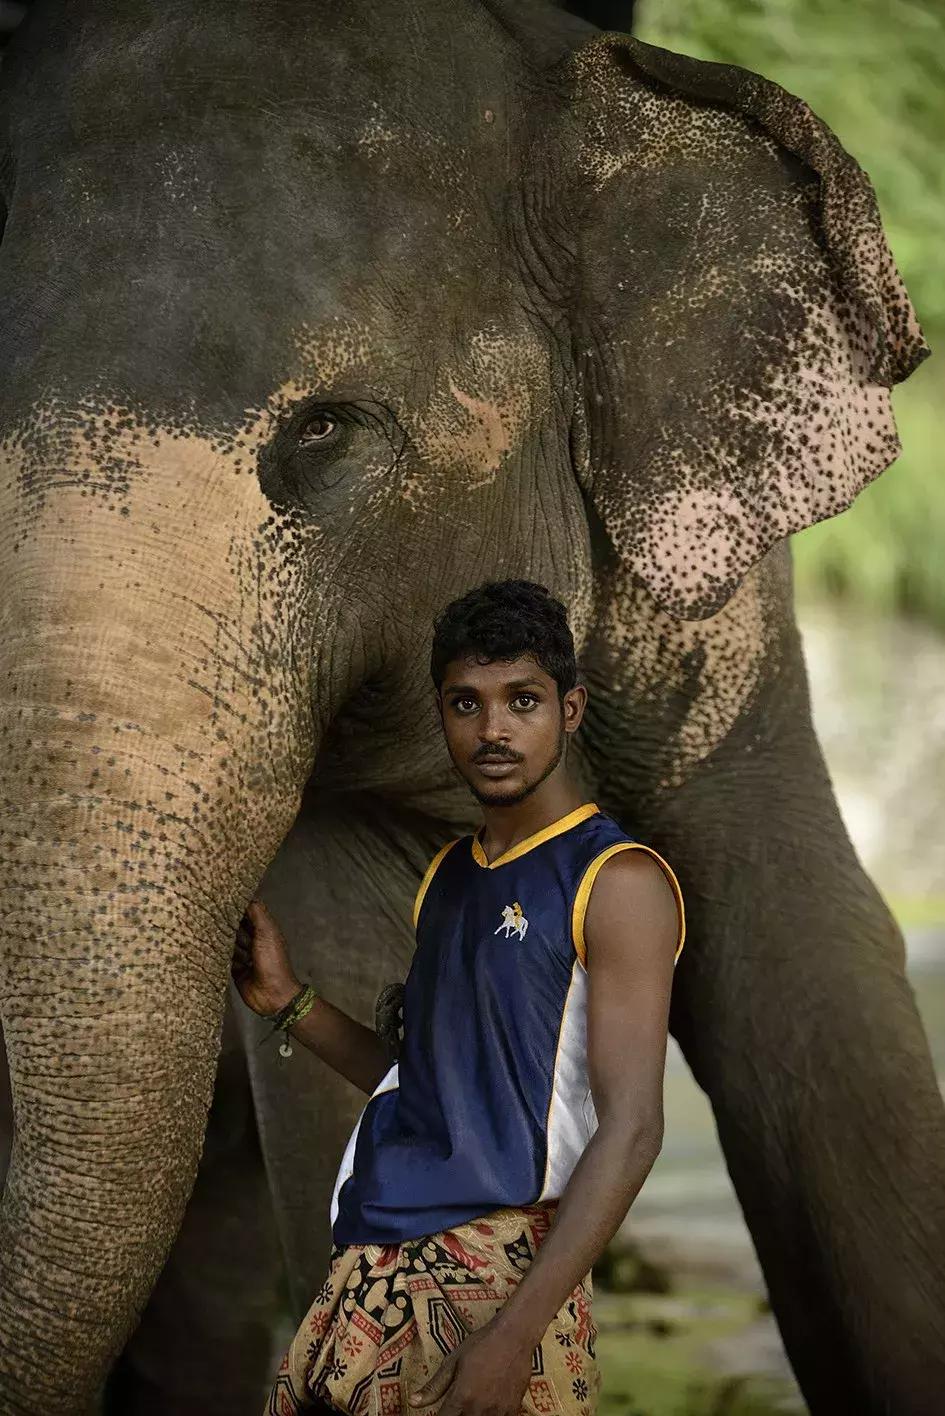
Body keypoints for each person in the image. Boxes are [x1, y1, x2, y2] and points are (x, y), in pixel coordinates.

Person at [233, 579, 685, 1416]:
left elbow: (633, 1130)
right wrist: (289, 1001)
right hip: (372, 1264)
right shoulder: (446, 877)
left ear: (570, 708)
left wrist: (514, 1336)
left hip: (503, 1278)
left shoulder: (615, 880)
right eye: (465, 704)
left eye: (522, 700)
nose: (494, 730)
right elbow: (433, 1089)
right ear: (440, 715)